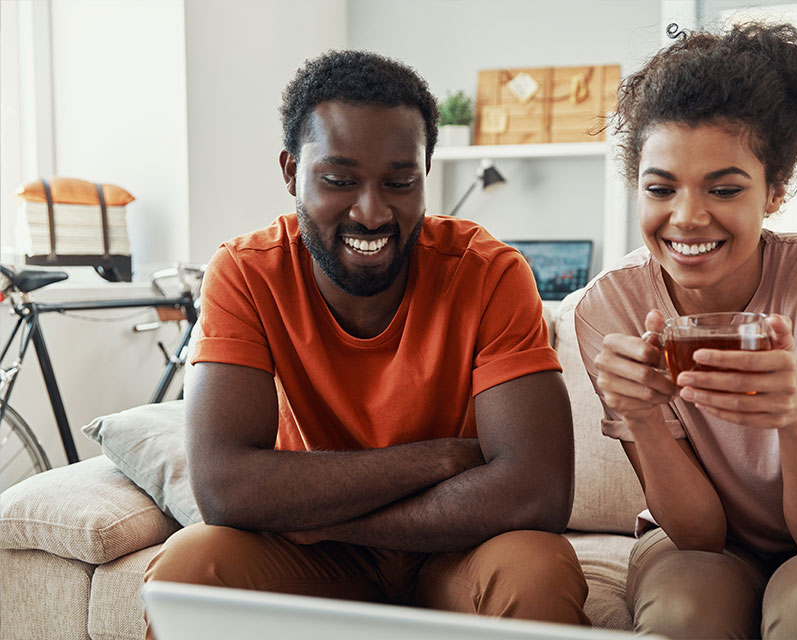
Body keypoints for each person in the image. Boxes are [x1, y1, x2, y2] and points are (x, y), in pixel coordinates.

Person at [144, 50, 589, 635]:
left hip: (458, 549)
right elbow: (226, 489)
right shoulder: (246, 272)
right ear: (289, 173)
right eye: (339, 181)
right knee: (187, 570)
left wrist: (320, 516)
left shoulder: (490, 272)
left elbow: (537, 493)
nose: (373, 212)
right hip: (324, 564)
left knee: (536, 568)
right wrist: (441, 458)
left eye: (400, 182)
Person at [575, 22, 797, 639]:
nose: (687, 217)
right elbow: (699, 536)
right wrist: (639, 416)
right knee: (684, 610)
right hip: (707, 546)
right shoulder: (610, 306)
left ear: (773, 191)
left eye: (724, 188)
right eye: (660, 188)